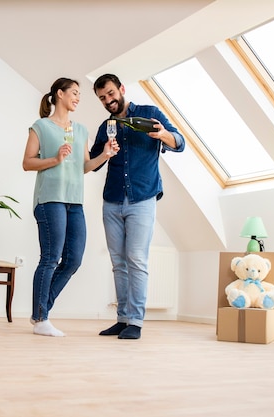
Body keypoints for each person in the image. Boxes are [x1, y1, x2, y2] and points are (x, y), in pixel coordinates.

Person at [90, 74, 185, 340]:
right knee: (118, 262)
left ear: (121, 89)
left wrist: (163, 134)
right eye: (102, 98)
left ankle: (136, 321)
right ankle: (122, 319)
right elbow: (94, 163)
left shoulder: (149, 113)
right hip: (112, 200)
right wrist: (105, 152)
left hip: (142, 198)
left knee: (137, 259)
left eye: (110, 93)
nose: (108, 100)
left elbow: (180, 143)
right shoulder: (105, 126)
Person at [22, 77, 118, 337]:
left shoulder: (81, 130)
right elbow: (28, 163)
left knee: (73, 259)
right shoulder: (40, 127)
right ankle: (41, 318)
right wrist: (54, 158)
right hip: (49, 199)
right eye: (74, 93)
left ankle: (39, 312)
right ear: (59, 94)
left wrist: (105, 155)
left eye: (79, 94)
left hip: (75, 201)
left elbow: (84, 166)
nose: (77, 97)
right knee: (51, 258)